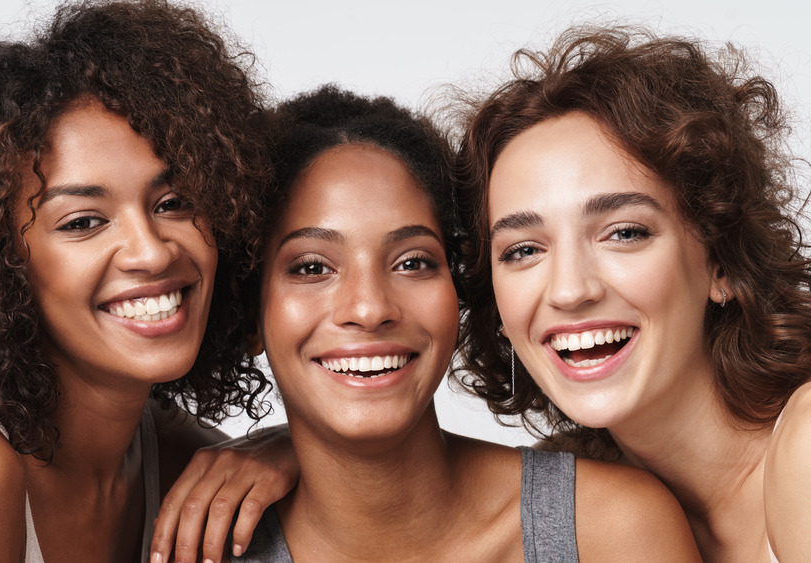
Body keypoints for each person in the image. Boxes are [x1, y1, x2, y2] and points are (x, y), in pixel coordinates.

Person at [0, 1, 293, 561]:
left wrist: (300, 451)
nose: (151, 251)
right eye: (83, 222)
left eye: (174, 202)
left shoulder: (183, 460)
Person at [229, 85, 700, 562]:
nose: (370, 309)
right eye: (312, 268)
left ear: (462, 292)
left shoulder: (610, 528)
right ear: (250, 315)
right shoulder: (199, 543)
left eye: (413, 262)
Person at [456, 26, 811, 561]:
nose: (571, 290)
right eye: (523, 251)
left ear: (722, 262)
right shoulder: (575, 506)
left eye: (625, 232)